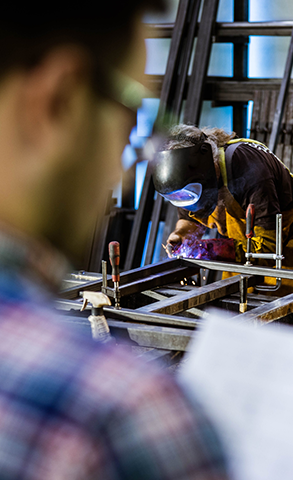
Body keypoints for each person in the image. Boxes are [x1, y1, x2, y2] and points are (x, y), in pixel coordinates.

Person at [0, 5, 230, 479]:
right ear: (60, 100)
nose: (120, 168)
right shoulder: (122, 418)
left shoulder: (247, 166)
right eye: (128, 121)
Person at [152, 124, 293, 295]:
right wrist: (181, 235)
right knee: (236, 298)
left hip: (286, 234)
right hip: (239, 236)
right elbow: (190, 218)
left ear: (207, 168)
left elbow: (268, 249)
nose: (183, 199)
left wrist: (208, 250)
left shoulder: (251, 170)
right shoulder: (189, 181)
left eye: (186, 194)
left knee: (286, 305)